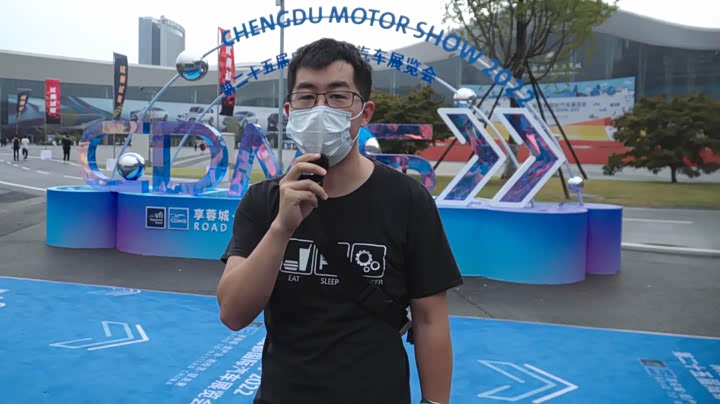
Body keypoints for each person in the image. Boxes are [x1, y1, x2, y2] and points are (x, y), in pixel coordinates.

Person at [217, 38, 463, 404]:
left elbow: (430, 319)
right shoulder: (262, 201)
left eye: (337, 96)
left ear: (364, 112)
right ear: (290, 110)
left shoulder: (407, 200)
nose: (320, 108)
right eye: (307, 96)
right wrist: (282, 228)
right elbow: (233, 314)